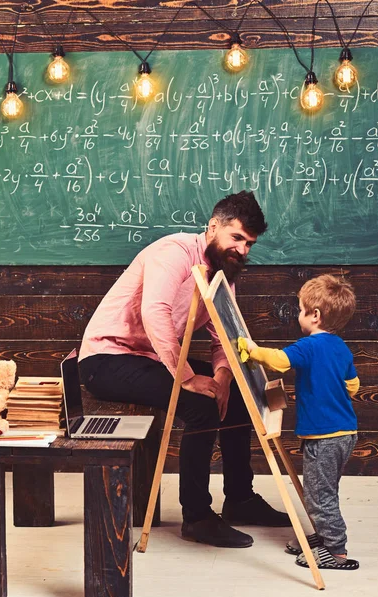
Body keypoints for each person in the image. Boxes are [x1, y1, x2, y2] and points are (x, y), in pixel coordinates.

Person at [79, 190, 290, 549]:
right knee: (201, 404)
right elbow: (155, 312)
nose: (242, 249)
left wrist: (223, 376)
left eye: (249, 243)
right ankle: (197, 517)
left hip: (148, 358)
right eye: (236, 237)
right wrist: (188, 377)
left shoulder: (223, 271)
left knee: (236, 391)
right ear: (212, 227)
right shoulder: (174, 252)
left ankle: (240, 499)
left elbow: (225, 334)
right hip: (106, 358)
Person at [242, 274, 360, 570]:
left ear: (315, 315)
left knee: (320, 495)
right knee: (326, 489)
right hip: (346, 433)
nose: (298, 314)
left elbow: (280, 361)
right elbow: (353, 386)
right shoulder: (340, 347)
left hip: (324, 436)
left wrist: (252, 350)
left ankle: (335, 550)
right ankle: (323, 536)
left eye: (300, 308)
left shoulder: (309, 347)